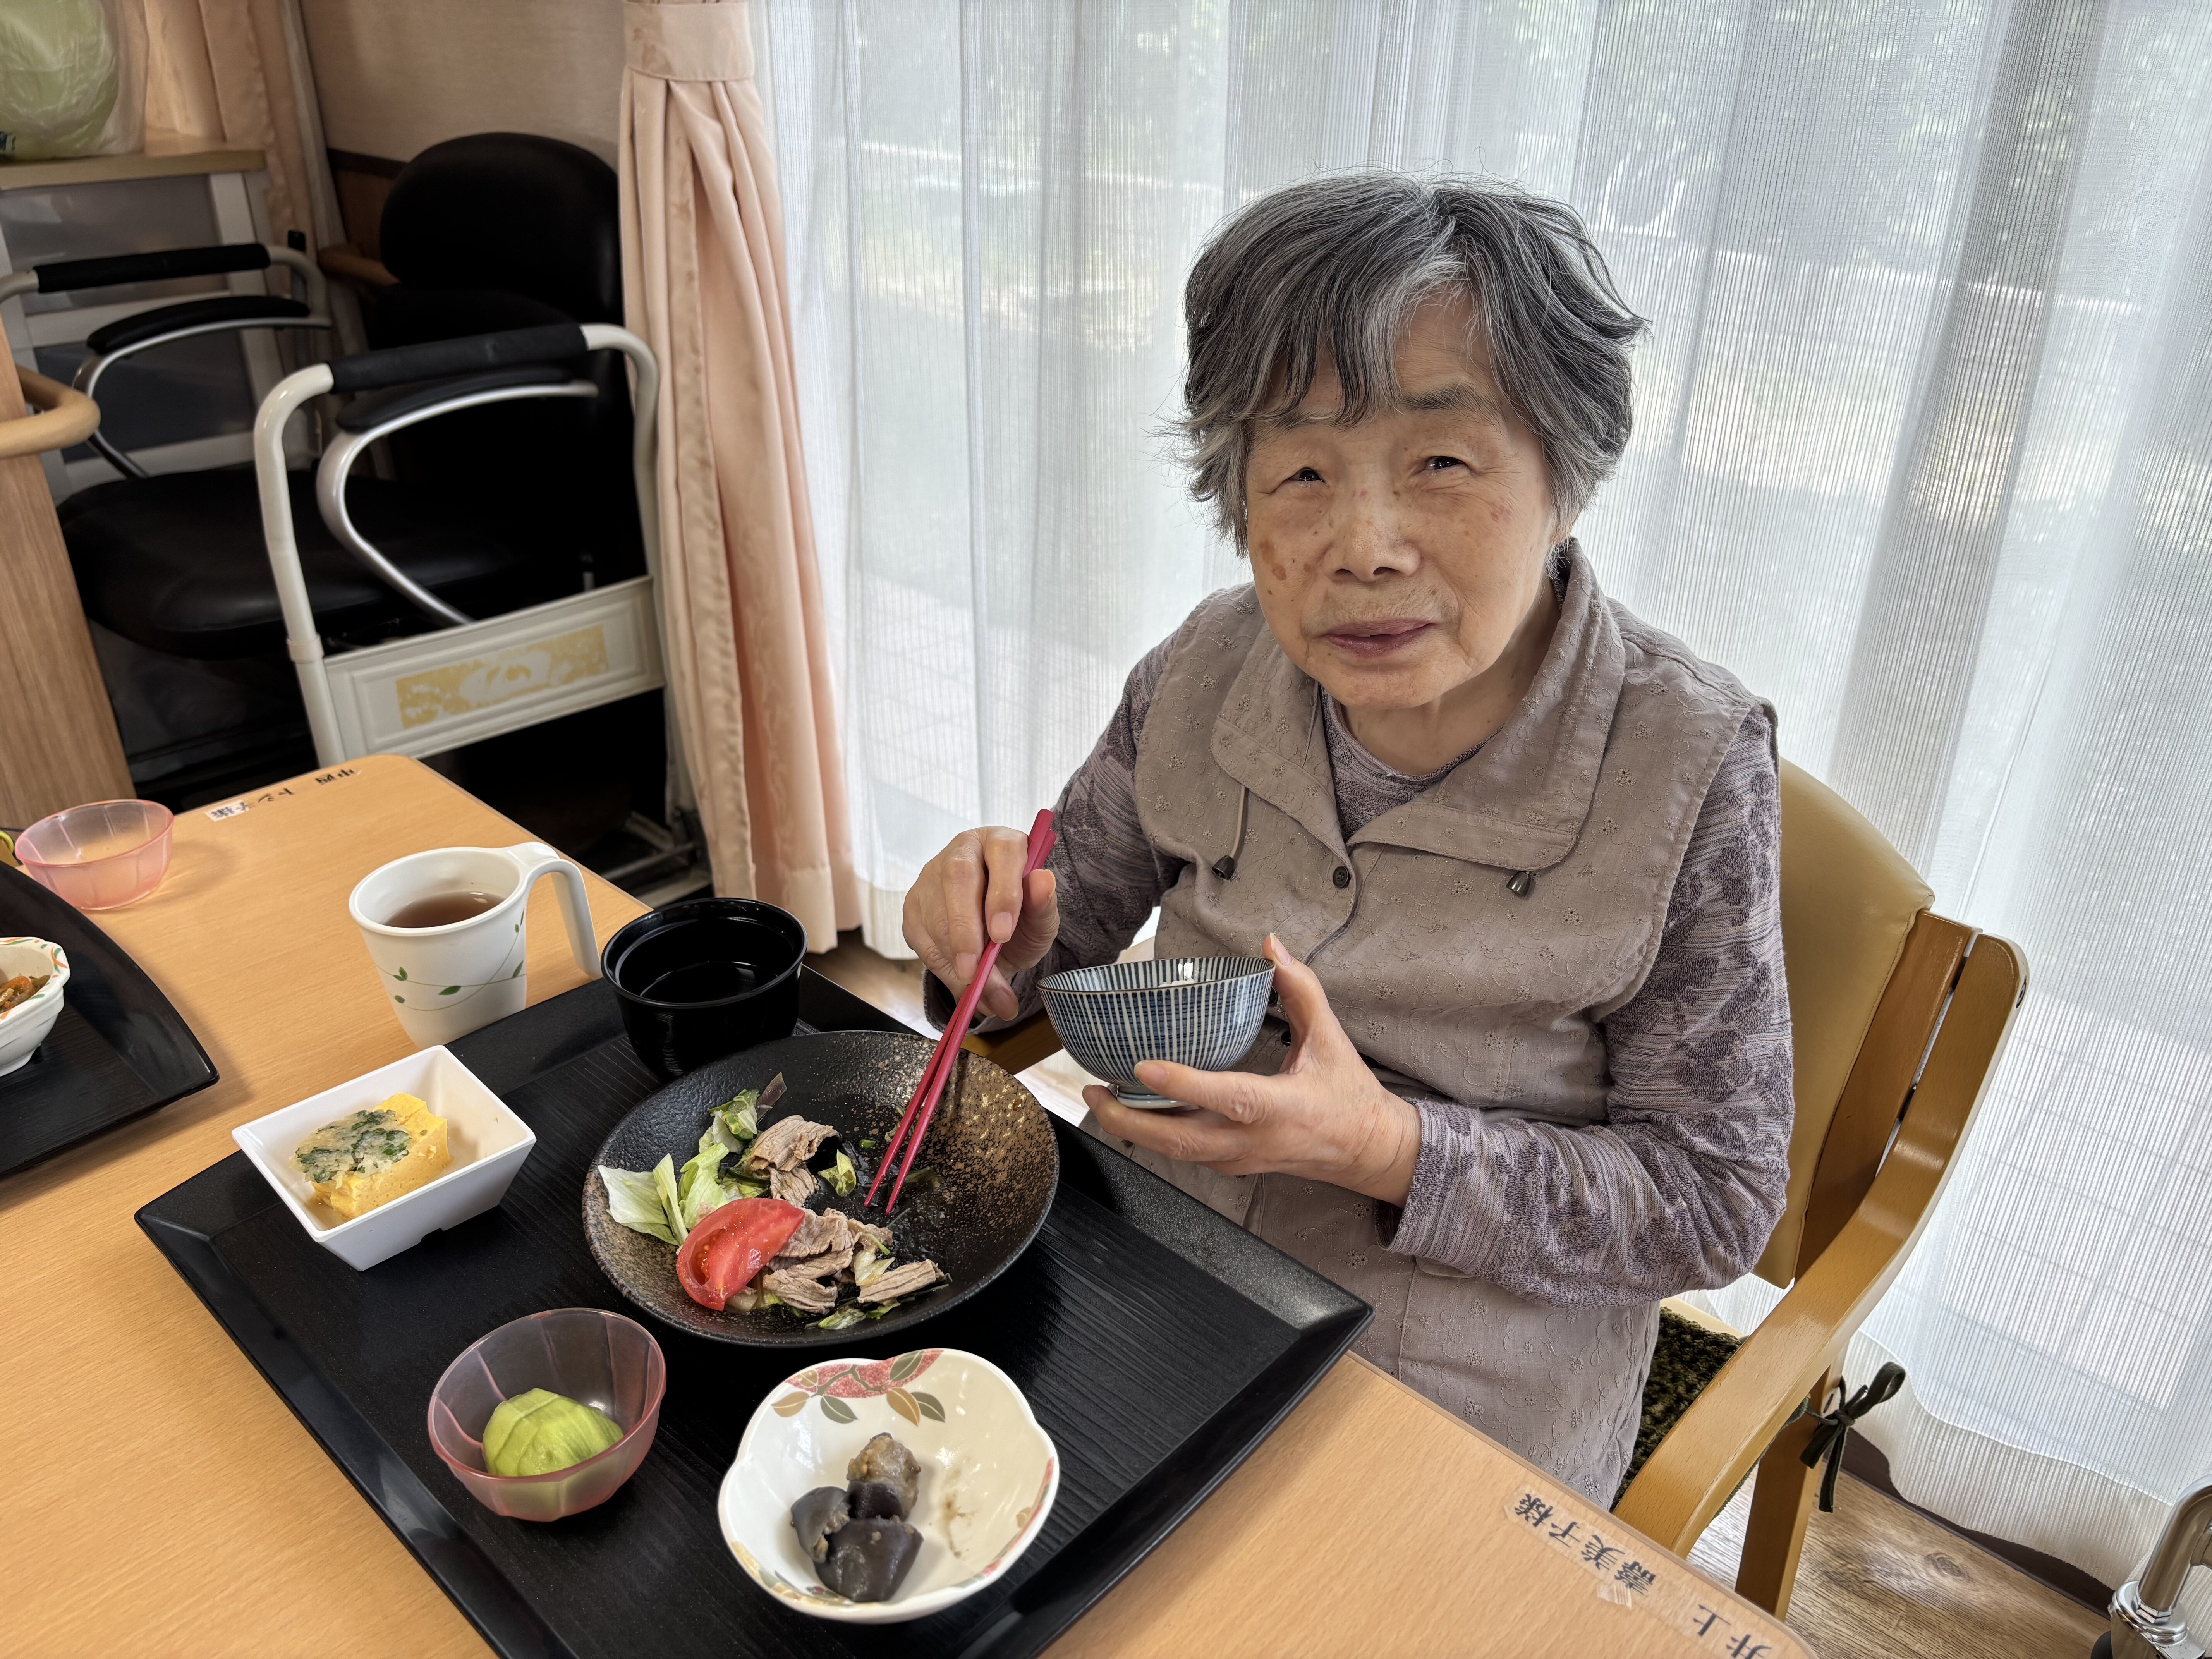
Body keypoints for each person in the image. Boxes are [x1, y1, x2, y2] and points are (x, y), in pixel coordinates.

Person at [903, 173, 1793, 1505]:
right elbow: (1044, 948)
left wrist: (1390, 1148)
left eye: (1441, 463)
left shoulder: (1691, 763)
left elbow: (1712, 1198)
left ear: (1565, 477)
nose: (1365, 547)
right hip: (1146, 1277)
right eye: (1304, 472)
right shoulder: (1200, 667)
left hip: (1450, 1395)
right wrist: (985, 939)